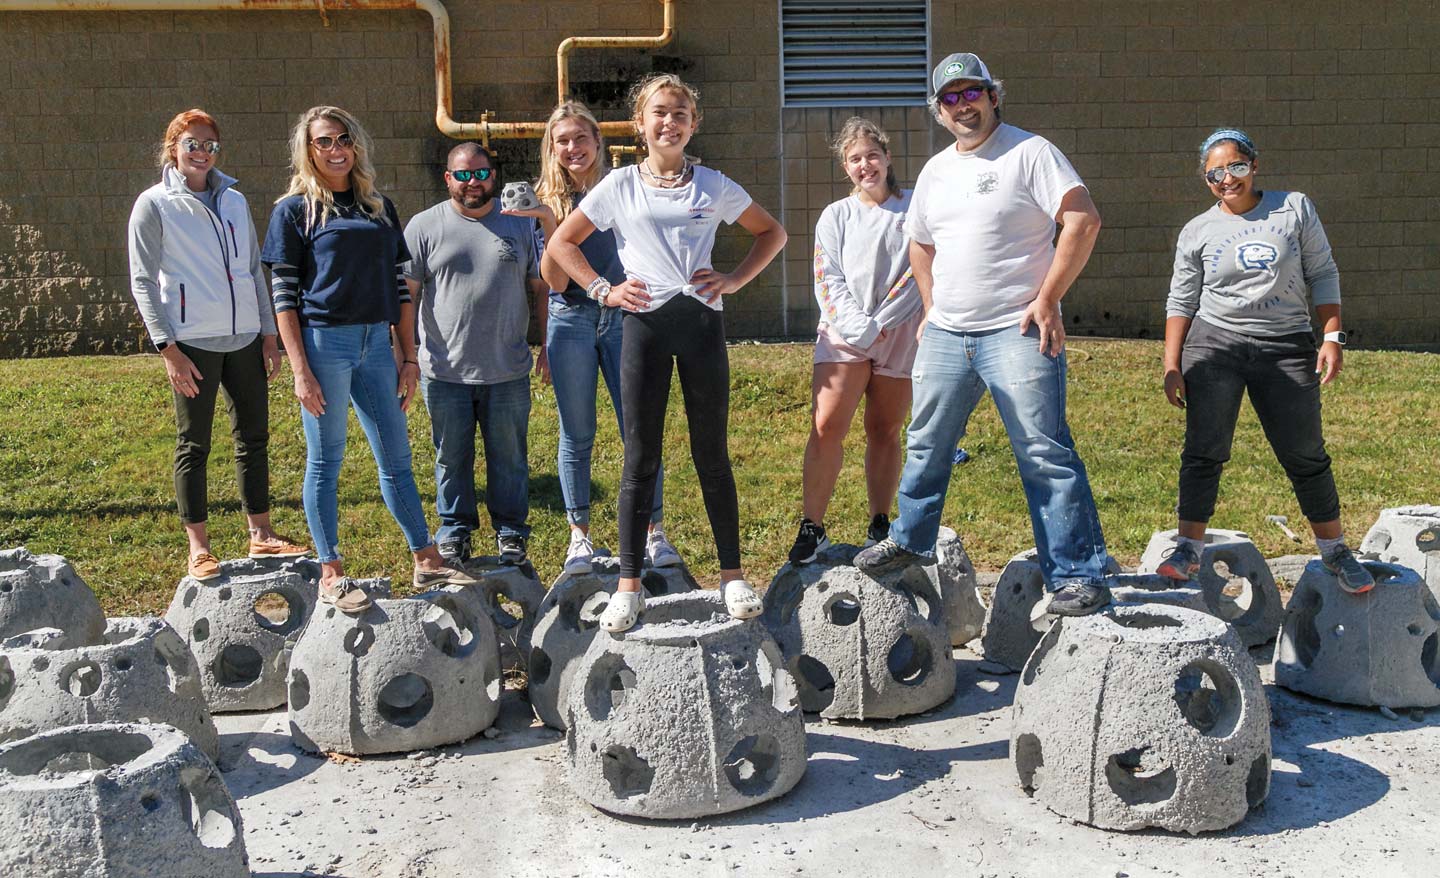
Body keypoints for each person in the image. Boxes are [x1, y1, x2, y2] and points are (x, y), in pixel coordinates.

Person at [854, 52, 1114, 617]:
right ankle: (910, 540)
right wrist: (928, 306)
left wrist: (1047, 297)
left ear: (993, 96)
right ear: (939, 111)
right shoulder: (937, 170)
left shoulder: (1030, 152)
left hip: (1015, 329)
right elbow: (920, 242)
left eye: (972, 93)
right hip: (948, 332)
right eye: (950, 98)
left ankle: (1078, 575)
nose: (962, 104)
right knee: (925, 443)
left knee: (1044, 452)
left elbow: (1082, 219)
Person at [547, 74, 788, 631]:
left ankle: (732, 577)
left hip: (702, 323)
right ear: (640, 123)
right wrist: (603, 289)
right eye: (659, 112)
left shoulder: (712, 184)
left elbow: (770, 234)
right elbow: (563, 242)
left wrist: (732, 279)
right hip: (643, 327)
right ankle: (628, 586)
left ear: (693, 123)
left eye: (680, 112)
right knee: (640, 457)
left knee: (712, 454)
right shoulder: (620, 186)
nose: (669, 121)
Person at [262, 105, 475, 612]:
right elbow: (284, 296)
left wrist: (408, 356)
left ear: (355, 145)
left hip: (377, 346)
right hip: (323, 345)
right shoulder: (294, 211)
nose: (335, 149)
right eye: (323, 142)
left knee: (397, 458)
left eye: (343, 139)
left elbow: (402, 288)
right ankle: (330, 571)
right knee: (326, 460)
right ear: (307, 150)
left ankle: (426, 558)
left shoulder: (377, 207)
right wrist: (299, 370)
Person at [1155, 128, 1373, 593]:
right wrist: (1171, 363)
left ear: (1254, 165)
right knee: (1204, 450)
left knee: (1305, 453)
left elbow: (1323, 271)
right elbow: (1181, 300)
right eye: (1215, 173)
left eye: (1235, 167)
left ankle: (1335, 551)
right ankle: (1188, 550)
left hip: (1286, 345)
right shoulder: (1197, 230)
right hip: (1214, 344)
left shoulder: (1293, 207)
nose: (1226, 179)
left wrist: (1331, 336)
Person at [501, 101, 681, 575]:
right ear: (552, 148)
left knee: (637, 430)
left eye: (581, 137)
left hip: (626, 318)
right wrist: (546, 220)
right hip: (571, 320)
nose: (573, 148)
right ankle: (579, 537)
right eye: (563, 141)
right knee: (576, 434)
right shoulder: (545, 199)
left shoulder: (625, 186)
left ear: (598, 141)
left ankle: (653, 534)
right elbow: (555, 283)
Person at [128, 108, 308, 581]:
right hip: (192, 343)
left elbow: (251, 270)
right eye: (192, 143)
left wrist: (269, 335)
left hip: (246, 338)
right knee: (195, 443)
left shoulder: (233, 200)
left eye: (209, 145)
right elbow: (143, 281)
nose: (201, 152)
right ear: (173, 148)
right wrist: (168, 349)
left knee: (253, 437)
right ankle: (199, 547)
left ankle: (262, 534)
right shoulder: (154, 204)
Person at [788, 117, 923, 564]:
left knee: (884, 430)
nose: (865, 165)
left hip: (899, 333)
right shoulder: (836, 215)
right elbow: (827, 279)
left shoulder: (914, 209)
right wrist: (860, 328)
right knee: (827, 426)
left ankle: (880, 521)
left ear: (887, 157)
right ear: (845, 167)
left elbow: (920, 271)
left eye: (871, 155)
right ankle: (813, 525)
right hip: (844, 334)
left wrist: (884, 323)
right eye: (854, 159)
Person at [403, 143, 545, 567]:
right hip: (444, 371)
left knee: (510, 456)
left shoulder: (519, 224)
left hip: (508, 369)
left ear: (493, 176)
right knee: (450, 457)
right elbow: (406, 296)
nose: (472, 183)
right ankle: (454, 530)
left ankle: (511, 532)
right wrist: (406, 357)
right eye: (462, 175)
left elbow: (542, 287)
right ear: (448, 179)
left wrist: (547, 345)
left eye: (480, 174)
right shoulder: (423, 226)